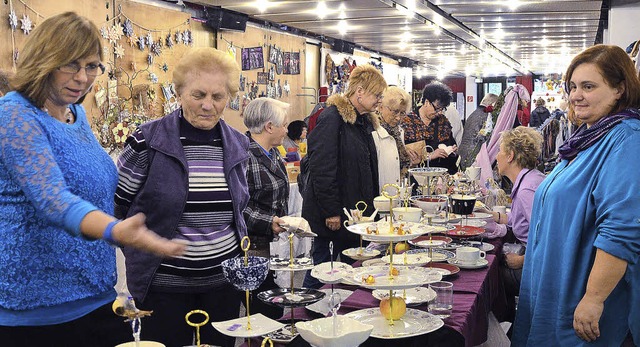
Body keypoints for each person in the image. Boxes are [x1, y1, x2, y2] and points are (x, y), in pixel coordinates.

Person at [0, 12, 184, 347]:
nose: (83, 77)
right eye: (70, 64)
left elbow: (94, 187)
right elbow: (53, 199)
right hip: (38, 310)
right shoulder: (14, 115)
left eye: (92, 65)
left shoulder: (76, 114)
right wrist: (115, 230)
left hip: (96, 294)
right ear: (44, 60)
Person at [114, 47, 249, 347]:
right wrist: (140, 249)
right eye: (198, 95)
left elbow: (239, 211)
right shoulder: (147, 141)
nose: (207, 105)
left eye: (218, 97)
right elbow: (115, 205)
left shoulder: (239, 145)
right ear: (179, 92)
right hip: (161, 287)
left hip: (222, 286)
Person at [513, 44, 640, 346]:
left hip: (583, 299)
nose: (575, 95)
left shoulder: (627, 138)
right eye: (572, 86)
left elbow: (621, 230)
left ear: (619, 89)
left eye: (588, 86)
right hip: (555, 289)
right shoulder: (588, 138)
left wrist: (594, 298)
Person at [302, 64, 386, 289]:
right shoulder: (332, 117)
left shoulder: (363, 121)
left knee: (354, 271)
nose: (380, 100)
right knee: (322, 272)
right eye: (376, 95)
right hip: (333, 214)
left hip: (355, 215)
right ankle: (303, 314)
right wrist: (331, 211)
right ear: (359, 91)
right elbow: (322, 167)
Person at [243, 97, 290, 320]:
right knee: (266, 309)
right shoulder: (244, 155)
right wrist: (268, 221)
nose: (286, 130)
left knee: (273, 306)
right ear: (269, 126)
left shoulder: (273, 152)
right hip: (251, 247)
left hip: (269, 245)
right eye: (284, 125)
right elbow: (239, 204)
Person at [491, 126, 545, 321]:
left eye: (500, 151)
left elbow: (547, 235)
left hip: (538, 265)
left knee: (492, 277)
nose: (497, 156)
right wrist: (489, 215)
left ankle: (506, 328)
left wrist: (522, 261)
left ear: (511, 155)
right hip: (533, 255)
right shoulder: (531, 179)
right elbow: (517, 220)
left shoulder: (526, 190)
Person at [402, 81, 458, 175]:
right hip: (417, 178)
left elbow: (451, 144)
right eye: (437, 108)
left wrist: (453, 151)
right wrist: (430, 156)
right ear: (427, 102)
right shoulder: (407, 122)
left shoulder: (443, 122)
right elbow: (404, 156)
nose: (439, 112)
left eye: (442, 109)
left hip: (443, 176)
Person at [371, 86, 420, 191]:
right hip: (381, 196)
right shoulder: (373, 132)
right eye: (395, 111)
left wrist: (412, 163)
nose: (398, 117)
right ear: (381, 107)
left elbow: (397, 166)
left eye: (402, 113)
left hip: (398, 195)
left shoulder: (398, 132)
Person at [458, 93, 498, 171]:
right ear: (491, 104)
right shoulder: (486, 116)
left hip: (462, 153)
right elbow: (484, 137)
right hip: (473, 155)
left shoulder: (474, 113)